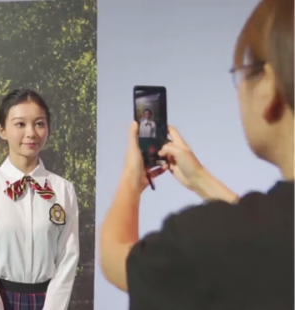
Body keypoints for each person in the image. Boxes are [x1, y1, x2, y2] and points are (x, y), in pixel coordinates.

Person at [99, 0, 294, 309]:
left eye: (241, 73)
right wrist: (199, 178)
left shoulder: (202, 240)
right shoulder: (262, 236)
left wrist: (130, 177)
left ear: (268, 86)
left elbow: (115, 256)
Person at [0, 89, 80, 310]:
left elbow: (68, 258)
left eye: (39, 124)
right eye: (20, 124)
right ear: (2, 130)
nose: (31, 133)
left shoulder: (63, 190)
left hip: (45, 303)